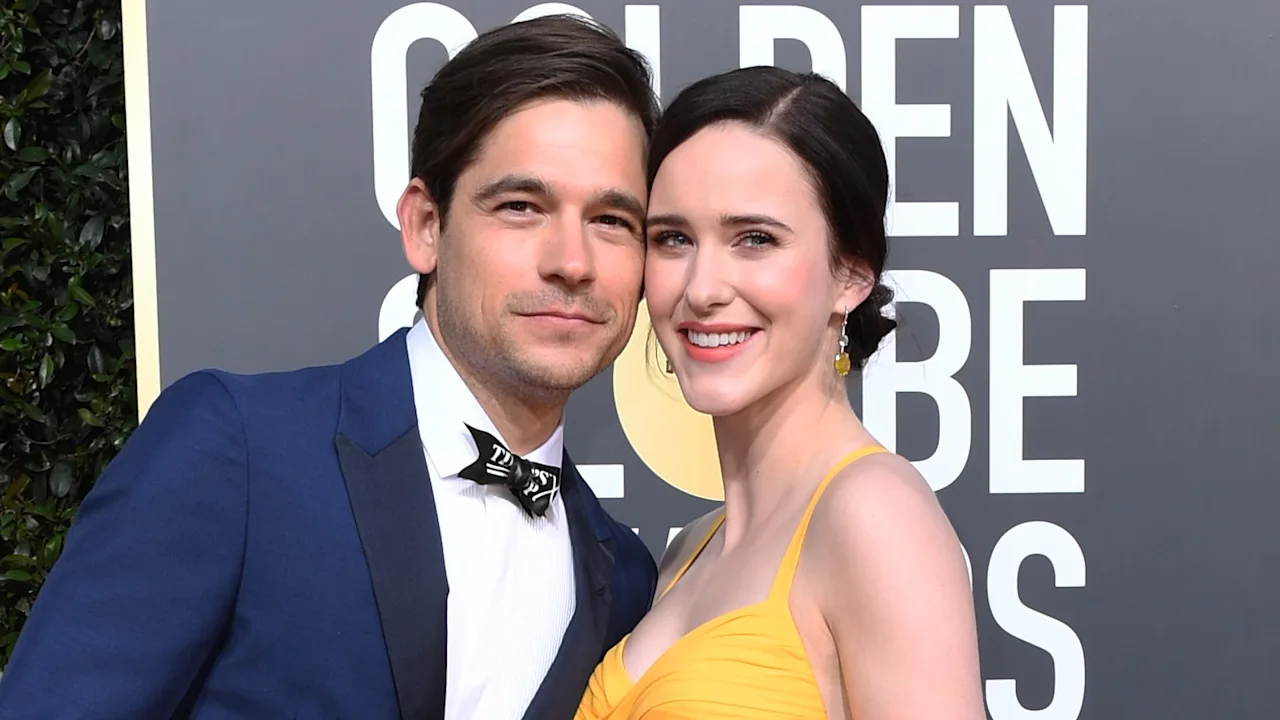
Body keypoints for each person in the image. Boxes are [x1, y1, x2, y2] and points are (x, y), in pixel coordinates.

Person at [0, 14, 659, 720]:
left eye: (612, 221)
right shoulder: (238, 450)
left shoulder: (621, 575)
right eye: (522, 206)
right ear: (425, 227)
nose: (572, 262)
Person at [576, 66, 985, 719]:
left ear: (851, 274)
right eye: (674, 238)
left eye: (755, 239)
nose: (702, 288)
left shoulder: (873, 515)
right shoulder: (692, 549)